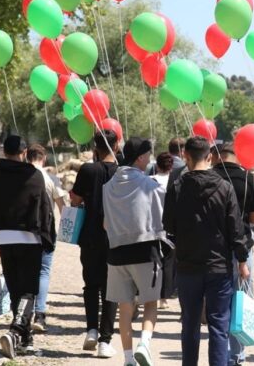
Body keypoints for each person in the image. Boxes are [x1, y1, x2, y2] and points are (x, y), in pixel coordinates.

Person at [163, 137, 250, 366]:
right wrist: (242, 260)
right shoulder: (225, 186)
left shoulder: (177, 187)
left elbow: (168, 225)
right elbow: (235, 228)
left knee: (190, 323)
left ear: (186, 157)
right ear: (210, 157)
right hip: (219, 266)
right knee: (219, 325)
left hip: (187, 265)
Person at [0, 136, 55, 359]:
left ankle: (25, 340)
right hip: (30, 239)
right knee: (29, 289)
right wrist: (48, 238)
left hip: (4, 239)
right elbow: (44, 210)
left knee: (15, 288)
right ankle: (15, 330)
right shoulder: (33, 175)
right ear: (23, 153)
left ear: (4, 151)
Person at [104, 137, 170, 366]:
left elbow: (105, 223)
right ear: (141, 157)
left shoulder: (109, 186)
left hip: (116, 254)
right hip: (145, 251)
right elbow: (163, 216)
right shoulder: (150, 184)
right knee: (151, 302)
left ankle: (128, 358)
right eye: (148, 155)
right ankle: (145, 343)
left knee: (124, 307)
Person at [70, 130, 120, 358]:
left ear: (95, 148)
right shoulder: (122, 173)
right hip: (116, 239)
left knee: (90, 284)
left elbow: (76, 199)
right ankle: (105, 341)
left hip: (89, 236)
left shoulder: (88, 170)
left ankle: (91, 329)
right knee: (112, 289)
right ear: (116, 146)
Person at [212, 142, 254, 365]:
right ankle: (237, 355)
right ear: (237, 155)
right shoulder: (249, 179)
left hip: (214, 247)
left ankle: (220, 355)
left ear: (216, 156)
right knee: (240, 299)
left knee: (218, 302)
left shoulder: (209, 176)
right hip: (242, 246)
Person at [25, 144, 65, 333]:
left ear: (27, 156)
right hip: (46, 231)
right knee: (43, 272)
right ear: (44, 158)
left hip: (23, 231)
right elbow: (62, 208)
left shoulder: (21, 175)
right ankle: (40, 315)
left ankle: (22, 314)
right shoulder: (51, 178)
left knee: (26, 272)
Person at [151, 151, 175, 309]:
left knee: (153, 261)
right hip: (170, 226)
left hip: (151, 226)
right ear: (171, 167)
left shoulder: (149, 181)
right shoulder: (176, 181)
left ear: (157, 166)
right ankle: (164, 298)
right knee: (168, 261)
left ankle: (150, 293)